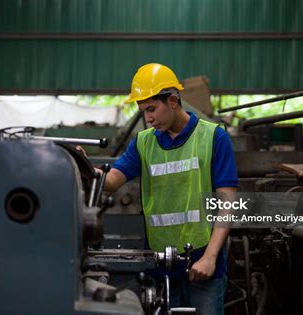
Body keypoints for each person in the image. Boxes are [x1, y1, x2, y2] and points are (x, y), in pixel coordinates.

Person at [95, 63, 238, 315]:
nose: (147, 118)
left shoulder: (214, 137)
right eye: (143, 111)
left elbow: (227, 204)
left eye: (152, 109)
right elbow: (112, 181)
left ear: (173, 101)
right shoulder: (143, 143)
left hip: (203, 263)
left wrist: (211, 258)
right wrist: (82, 168)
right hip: (161, 267)